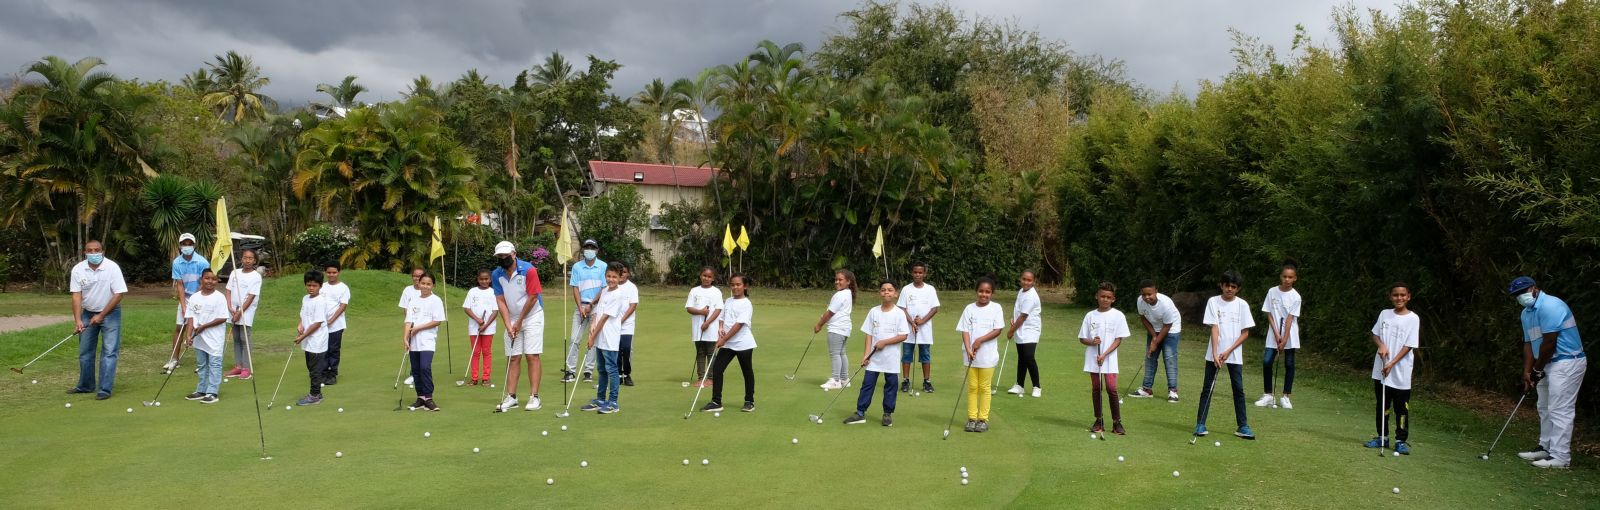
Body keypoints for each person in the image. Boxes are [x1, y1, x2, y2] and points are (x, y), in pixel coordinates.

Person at [1509, 276, 1587, 469]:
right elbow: (1529, 343)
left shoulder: (1551, 305)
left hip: (1567, 361)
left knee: (1560, 409)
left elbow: (1550, 342)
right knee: (1544, 406)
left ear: (1534, 288)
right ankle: (1545, 447)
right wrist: (1527, 371)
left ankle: (1561, 457)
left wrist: (1537, 369)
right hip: (1547, 363)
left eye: (1523, 292)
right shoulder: (1526, 313)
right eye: (1516, 295)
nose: (1520, 296)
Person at [1196, 270, 1256, 440]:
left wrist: (1228, 350)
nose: (1229, 289)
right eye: (1227, 286)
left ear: (1238, 288)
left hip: (1234, 354)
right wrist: (1215, 352)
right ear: (1221, 285)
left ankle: (1243, 426)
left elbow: (1245, 333)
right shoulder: (1213, 302)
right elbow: (1214, 328)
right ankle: (1200, 424)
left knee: (1238, 389)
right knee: (1207, 388)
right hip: (1214, 354)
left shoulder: (1242, 305)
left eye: (1233, 287)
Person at [69, 240, 128, 400]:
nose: (94, 253)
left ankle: (104, 389)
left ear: (102, 251)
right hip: (88, 313)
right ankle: (86, 385)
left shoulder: (112, 267)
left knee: (109, 351)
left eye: (97, 250)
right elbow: (76, 295)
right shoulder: (78, 269)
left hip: (111, 313)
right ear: (85, 252)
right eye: (90, 250)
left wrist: (101, 315)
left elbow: (119, 294)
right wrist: (78, 320)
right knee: (85, 352)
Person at [1364, 282, 1419, 455]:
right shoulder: (1384, 314)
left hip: (1400, 372)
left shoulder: (1413, 318)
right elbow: (1375, 334)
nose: (1399, 298)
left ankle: (1401, 440)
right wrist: (1381, 345)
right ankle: (1382, 437)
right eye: (1395, 295)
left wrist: (1392, 363)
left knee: (1401, 409)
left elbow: (1409, 345)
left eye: (1403, 295)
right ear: (1390, 297)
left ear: (1408, 296)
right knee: (1382, 405)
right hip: (1381, 370)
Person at [846, 280, 909, 426]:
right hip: (874, 358)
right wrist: (866, 355)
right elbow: (869, 335)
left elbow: (903, 335)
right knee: (867, 384)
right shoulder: (874, 311)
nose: (886, 292)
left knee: (891, 385)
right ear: (879, 293)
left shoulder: (899, 313)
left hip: (891, 358)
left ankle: (887, 414)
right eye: (883, 290)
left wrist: (885, 342)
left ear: (895, 294)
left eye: (890, 290)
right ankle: (860, 412)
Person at [492, 241, 544, 412]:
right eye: (499, 256)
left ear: (514, 254)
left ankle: (534, 397)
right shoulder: (496, 274)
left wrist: (519, 321)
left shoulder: (529, 270)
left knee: (531, 355)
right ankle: (512, 396)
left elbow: (533, 297)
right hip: (512, 318)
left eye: (505, 255)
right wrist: (508, 324)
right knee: (513, 357)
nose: (502, 258)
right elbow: (500, 300)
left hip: (532, 316)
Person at [1079, 282, 1130, 435]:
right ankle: (1098, 420)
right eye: (1102, 296)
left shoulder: (1118, 315)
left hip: (1109, 358)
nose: (1105, 299)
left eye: (1108, 297)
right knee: (1096, 388)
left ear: (1113, 299)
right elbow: (1082, 338)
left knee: (1112, 388)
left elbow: (1118, 340)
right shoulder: (1090, 315)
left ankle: (1117, 422)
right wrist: (1092, 342)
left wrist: (1104, 354)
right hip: (1093, 358)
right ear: (1097, 296)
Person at [957, 277, 1006, 433]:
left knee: (984, 387)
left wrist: (979, 340)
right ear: (976, 291)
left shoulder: (996, 308)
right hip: (970, 355)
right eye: (981, 291)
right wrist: (968, 347)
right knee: (972, 387)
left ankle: (982, 419)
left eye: (987, 292)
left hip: (987, 355)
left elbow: (998, 329)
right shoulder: (969, 309)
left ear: (992, 293)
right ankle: (972, 418)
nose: (983, 294)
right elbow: (964, 330)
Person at [703, 274, 757, 413]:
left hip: (743, 343)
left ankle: (749, 401)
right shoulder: (728, 301)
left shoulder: (746, 304)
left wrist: (724, 339)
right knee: (717, 369)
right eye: (732, 285)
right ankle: (716, 401)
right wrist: (720, 329)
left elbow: (738, 325)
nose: (735, 287)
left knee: (746, 372)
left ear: (745, 286)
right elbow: (722, 317)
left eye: (738, 284)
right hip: (727, 343)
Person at [163, 233, 210, 373]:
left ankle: (203, 362)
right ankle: (174, 359)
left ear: (194, 245)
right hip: (187, 297)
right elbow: (180, 285)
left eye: (190, 244)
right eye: (184, 244)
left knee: (200, 328)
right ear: (180, 245)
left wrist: (197, 300)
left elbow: (205, 282)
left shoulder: (202, 262)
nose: (187, 246)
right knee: (179, 327)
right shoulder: (177, 262)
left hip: (201, 296)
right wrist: (184, 306)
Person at [1257, 262, 1302, 409]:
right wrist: (1276, 334)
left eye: (1290, 277)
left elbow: (1290, 319)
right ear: (1280, 276)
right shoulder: (1272, 292)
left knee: (1289, 363)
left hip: (1289, 334)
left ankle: (1286, 396)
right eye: (1284, 276)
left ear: (1295, 278)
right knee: (1267, 361)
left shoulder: (1296, 297)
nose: (1287, 280)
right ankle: (1268, 395)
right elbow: (1269, 313)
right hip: (1273, 332)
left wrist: (1284, 339)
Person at [581, 266, 625, 414]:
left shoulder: (618, 295)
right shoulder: (605, 291)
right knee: (601, 369)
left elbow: (605, 318)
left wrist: (592, 337)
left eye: (614, 277)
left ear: (620, 278)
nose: (611, 279)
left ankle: (613, 402)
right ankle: (600, 399)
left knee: (611, 369)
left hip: (610, 336)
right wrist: (592, 325)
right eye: (608, 276)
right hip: (600, 336)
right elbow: (598, 313)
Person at [183, 269, 228, 404]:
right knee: (202, 364)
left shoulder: (219, 297)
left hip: (214, 337)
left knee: (214, 364)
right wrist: (188, 335)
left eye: (213, 279)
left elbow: (223, 318)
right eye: (207, 278)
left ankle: (212, 392)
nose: (210, 281)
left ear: (217, 281)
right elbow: (190, 318)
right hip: (199, 338)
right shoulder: (194, 297)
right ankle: (201, 389)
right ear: (201, 279)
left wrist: (204, 326)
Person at [1132, 280, 1182, 402]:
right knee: (1150, 357)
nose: (1147, 297)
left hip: (1171, 329)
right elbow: (1143, 318)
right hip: (1154, 328)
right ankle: (1147, 389)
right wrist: (1154, 336)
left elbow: (1168, 325)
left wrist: (1155, 342)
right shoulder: (1140, 301)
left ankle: (1173, 391)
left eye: (1150, 294)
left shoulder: (1165, 303)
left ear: (1156, 292)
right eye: (1144, 294)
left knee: (1169, 358)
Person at [565, 239, 608, 383]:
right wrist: (580, 307)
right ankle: (570, 371)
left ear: (596, 250)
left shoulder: (603, 266)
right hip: (580, 307)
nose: (589, 250)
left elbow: (604, 288)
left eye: (592, 247)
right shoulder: (577, 267)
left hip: (596, 307)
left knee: (593, 339)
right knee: (574, 339)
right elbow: (575, 288)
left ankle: (588, 371)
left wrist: (591, 303)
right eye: (587, 247)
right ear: (583, 249)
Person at [405, 273, 447, 411]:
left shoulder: (436, 300)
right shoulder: (413, 300)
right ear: (419, 283)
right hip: (413, 341)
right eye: (423, 283)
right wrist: (405, 337)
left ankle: (428, 397)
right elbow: (408, 321)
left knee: (424, 367)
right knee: (415, 370)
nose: (425, 286)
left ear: (433, 285)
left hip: (427, 340)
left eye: (428, 284)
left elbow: (437, 321)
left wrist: (418, 328)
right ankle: (420, 397)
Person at [897, 262, 939, 393]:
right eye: (915, 272)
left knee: (925, 355)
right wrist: (912, 322)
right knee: (907, 355)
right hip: (908, 329)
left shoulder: (930, 289)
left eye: (920, 272)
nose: (917, 275)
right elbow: (902, 308)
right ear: (912, 273)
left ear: (924, 274)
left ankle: (927, 381)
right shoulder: (906, 289)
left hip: (924, 329)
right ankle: (906, 380)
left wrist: (921, 321)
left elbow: (934, 308)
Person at [814, 269, 857, 390]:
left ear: (848, 281)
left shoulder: (840, 295)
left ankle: (836, 380)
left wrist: (819, 324)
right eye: (836, 279)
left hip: (837, 328)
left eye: (840, 280)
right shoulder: (847, 293)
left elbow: (830, 313)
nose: (837, 282)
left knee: (835, 354)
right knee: (841, 353)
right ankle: (844, 379)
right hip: (844, 328)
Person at [294, 271, 330, 407]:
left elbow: (317, 323)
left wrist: (303, 336)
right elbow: (303, 314)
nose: (311, 288)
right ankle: (317, 393)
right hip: (307, 339)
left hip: (317, 340)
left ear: (320, 286)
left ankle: (314, 395)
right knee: (310, 367)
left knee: (315, 369)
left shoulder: (320, 301)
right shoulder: (305, 298)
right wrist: (300, 325)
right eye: (308, 285)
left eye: (314, 285)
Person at [224, 249, 262, 380]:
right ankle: (238, 366)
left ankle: (246, 368)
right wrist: (229, 307)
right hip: (232, 310)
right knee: (236, 338)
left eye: (250, 258)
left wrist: (240, 312)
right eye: (245, 257)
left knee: (244, 338)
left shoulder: (256, 276)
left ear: (254, 261)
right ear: (241, 259)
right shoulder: (234, 272)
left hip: (246, 311)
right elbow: (228, 290)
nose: (247, 260)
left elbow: (251, 297)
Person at [1005, 270, 1044, 397]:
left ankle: (1037, 386)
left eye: (1029, 280)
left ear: (1033, 282)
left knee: (1028, 357)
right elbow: (1018, 311)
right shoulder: (1021, 292)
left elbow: (1023, 316)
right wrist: (1013, 321)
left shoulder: (1031, 296)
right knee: (1021, 357)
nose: (1026, 282)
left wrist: (1011, 331)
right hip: (1020, 328)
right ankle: (1019, 385)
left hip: (1030, 329)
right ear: (1020, 279)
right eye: (1024, 279)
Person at [685, 267, 724, 388]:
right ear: (700, 276)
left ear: (713, 279)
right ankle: (701, 378)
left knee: (711, 353)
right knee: (700, 352)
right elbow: (689, 308)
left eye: (709, 277)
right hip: (698, 328)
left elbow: (718, 309)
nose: (706, 278)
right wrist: (701, 312)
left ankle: (711, 378)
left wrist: (708, 322)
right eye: (704, 276)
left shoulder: (716, 292)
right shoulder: (694, 291)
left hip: (711, 327)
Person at [464, 269, 498, 385]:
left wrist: (486, 324)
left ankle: (486, 378)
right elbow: (467, 308)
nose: (484, 281)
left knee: (486, 352)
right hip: (474, 327)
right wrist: (478, 319)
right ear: (478, 280)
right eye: (481, 279)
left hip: (488, 328)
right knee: (475, 352)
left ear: (490, 279)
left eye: (486, 279)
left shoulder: (493, 292)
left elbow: (495, 311)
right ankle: (474, 378)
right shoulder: (472, 291)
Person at [320, 261, 352, 385]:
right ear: (325, 272)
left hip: (336, 325)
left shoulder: (343, 287)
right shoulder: (322, 286)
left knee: (333, 349)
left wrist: (331, 320)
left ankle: (332, 373)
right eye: (329, 272)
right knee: (323, 349)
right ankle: (323, 372)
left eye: (334, 272)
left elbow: (343, 306)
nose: (331, 275)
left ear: (339, 272)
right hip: (322, 325)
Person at [616, 262, 641, 386]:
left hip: (627, 325)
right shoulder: (612, 286)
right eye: (620, 272)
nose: (622, 274)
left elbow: (633, 305)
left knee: (626, 348)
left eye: (624, 272)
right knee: (616, 349)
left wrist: (621, 320)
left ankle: (626, 373)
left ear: (628, 274)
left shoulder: (632, 287)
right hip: (613, 325)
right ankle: (618, 375)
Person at [398, 267, 423, 386]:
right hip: (410, 323)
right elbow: (405, 308)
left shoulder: (426, 290)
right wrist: (410, 322)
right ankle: (414, 374)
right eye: (415, 276)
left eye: (419, 276)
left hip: (423, 325)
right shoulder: (407, 290)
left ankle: (419, 373)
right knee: (411, 348)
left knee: (421, 349)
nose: (417, 278)